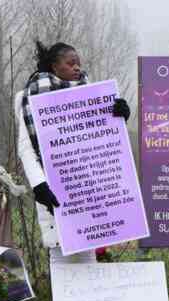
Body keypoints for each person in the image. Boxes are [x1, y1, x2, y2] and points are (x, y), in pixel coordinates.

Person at [15, 41, 130, 265]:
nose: (77, 68)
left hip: (88, 186)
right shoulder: (29, 96)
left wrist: (119, 116)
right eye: (71, 63)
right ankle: (65, 299)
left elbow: (103, 138)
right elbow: (25, 146)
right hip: (53, 186)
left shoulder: (90, 93)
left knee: (88, 248)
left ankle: (92, 300)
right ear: (54, 66)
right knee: (60, 252)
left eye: (78, 63)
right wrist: (39, 185)